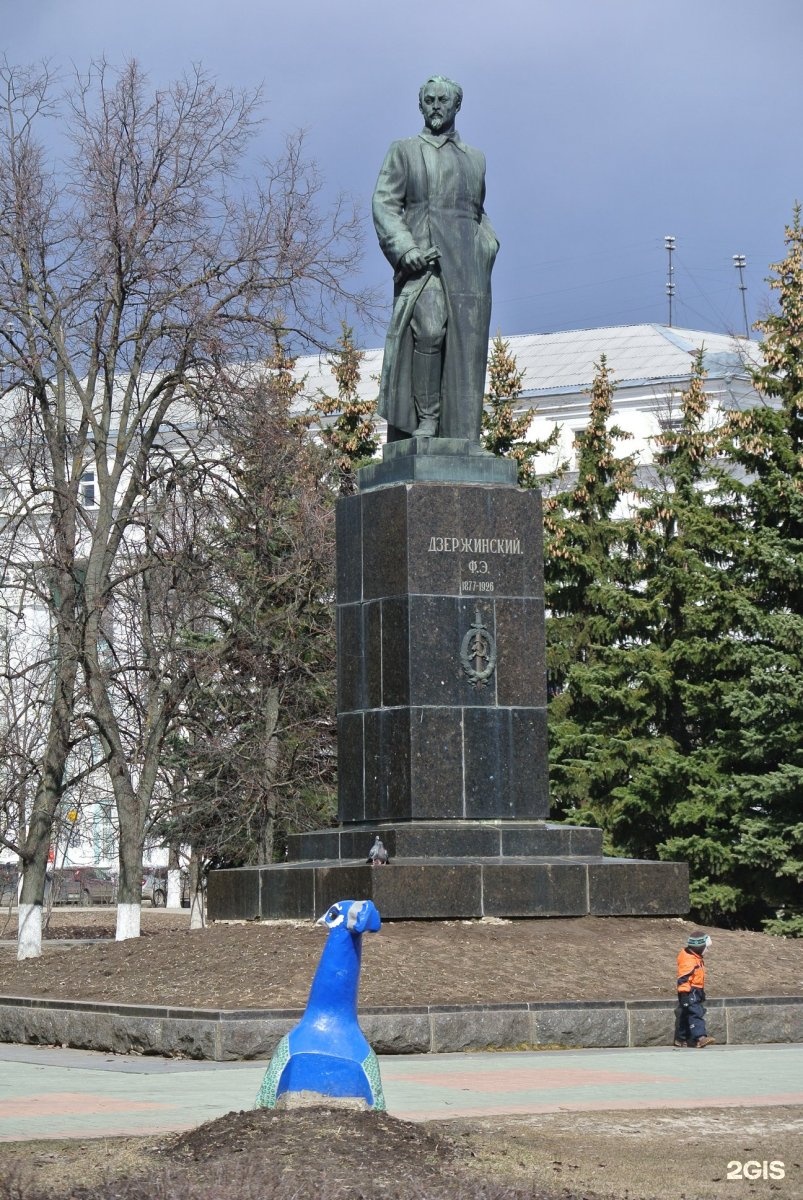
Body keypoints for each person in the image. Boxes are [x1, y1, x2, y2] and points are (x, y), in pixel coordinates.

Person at [372, 75, 499, 444]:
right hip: (426, 262)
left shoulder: (475, 158)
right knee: (428, 332)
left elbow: (478, 210)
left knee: (466, 352)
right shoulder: (404, 150)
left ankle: (463, 438)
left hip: (469, 269)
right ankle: (426, 418)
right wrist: (405, 248)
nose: (436, 106)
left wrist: (488, 243)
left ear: (458, 106)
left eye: (444, 100)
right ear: (420, 105)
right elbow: (384, 204)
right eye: (429, 100)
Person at [674, 932, 715, 1048]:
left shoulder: (696, 957)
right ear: (699, 947)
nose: (708, 950)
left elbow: (697, 978)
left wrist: (701, 992)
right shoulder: (689, 960)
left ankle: (681, 1038)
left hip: (695, 991)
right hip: (689, 992)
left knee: (686, 1014)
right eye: (706, 948)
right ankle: (700, 1038)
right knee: (696, 1014)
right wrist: (684, 995)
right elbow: (683, 979)